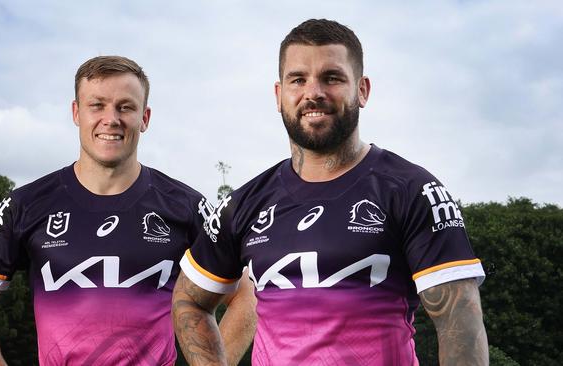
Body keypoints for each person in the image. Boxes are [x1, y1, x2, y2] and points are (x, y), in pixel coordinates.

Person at [172, 19, 489, 365]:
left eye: (332, 77)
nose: (313, 93)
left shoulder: (413, 190)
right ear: (279, 96)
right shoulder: (243, 204)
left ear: (362, 90)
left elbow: (460, 321)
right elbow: (190, 300)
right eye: (298, 79)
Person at [0, 56, 256, 366]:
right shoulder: (27, 205)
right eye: (97, 105)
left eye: (125, 107)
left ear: (144, 118)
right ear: (77, 112)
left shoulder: (185, 207)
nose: (111, 118)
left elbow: (245, 297)